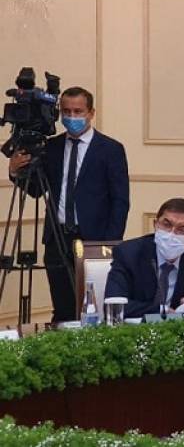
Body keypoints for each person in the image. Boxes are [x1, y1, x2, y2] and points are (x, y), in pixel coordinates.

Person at [8, 86, 129, 322]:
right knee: (63, 307)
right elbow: (36, 190)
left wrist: (111, 242)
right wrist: (15, 172)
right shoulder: (52, 147)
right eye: (66, 112)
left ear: (91, 113)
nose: (72, 117)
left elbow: (120, 201)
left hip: (94, 239)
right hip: (57, 237)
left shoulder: (110, 149)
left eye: (78, 111)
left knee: (93, 306)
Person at [105, 198, 184, 318]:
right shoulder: (128, 253)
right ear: (155, 224)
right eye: (166, 225)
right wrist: (161, 311)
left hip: (179, 328)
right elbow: (114, 305)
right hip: (136, 327)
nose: (172, 234)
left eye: (182, 229)